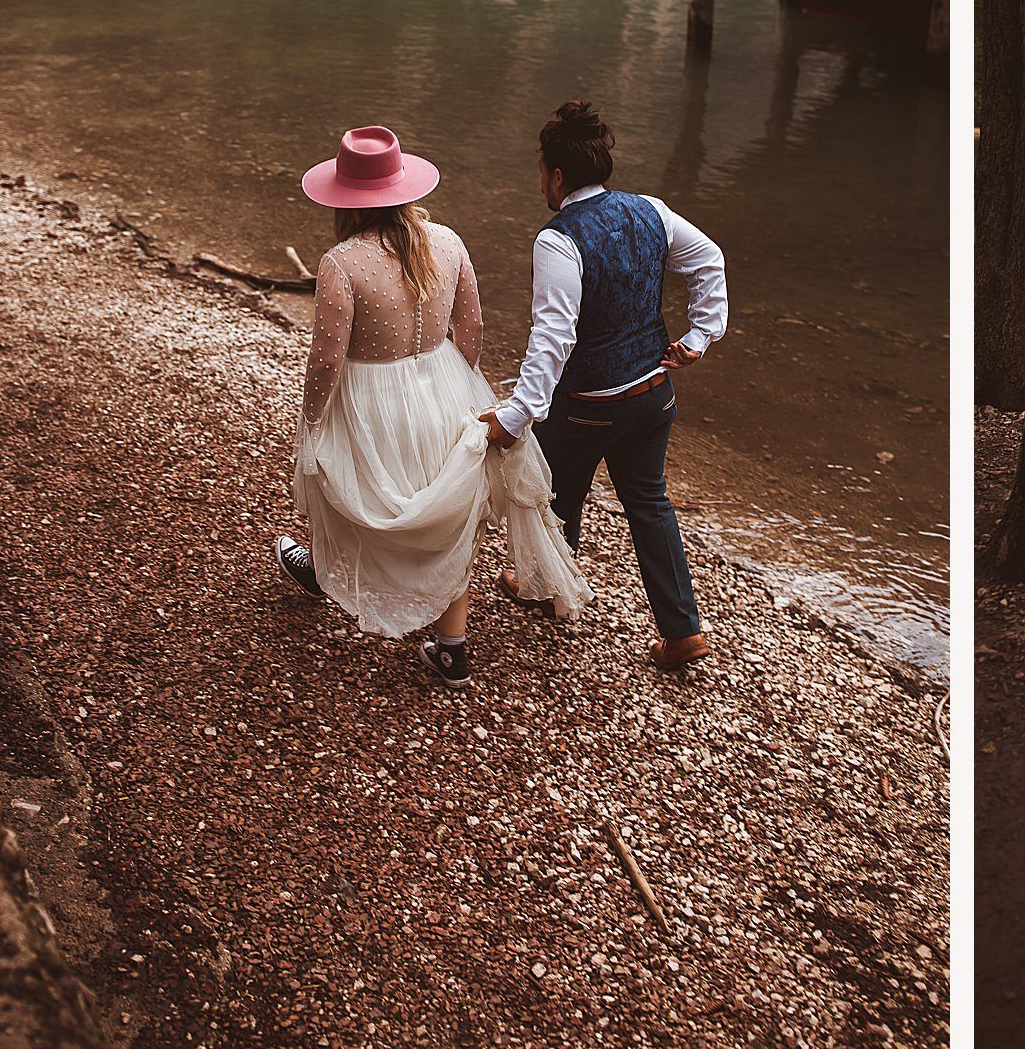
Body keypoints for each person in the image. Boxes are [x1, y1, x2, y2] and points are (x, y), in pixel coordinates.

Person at [276, 125, 590, 691]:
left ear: (345, 198)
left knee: (348, 481)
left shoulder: (341, 263)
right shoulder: (446, 241)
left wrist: (314, 417)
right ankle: (451, 649)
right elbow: (471, 326)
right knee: (449, 510)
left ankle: (325, 572)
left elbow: (327, 358)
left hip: (371, 392)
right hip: (445, 381)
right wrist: (451, 378)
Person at [482, 99, 728, 672]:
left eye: (541, 169)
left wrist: (517, 414)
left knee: (557, 494)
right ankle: (683, 630)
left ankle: (545, 586)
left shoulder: (557, 239)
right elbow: (710, 260)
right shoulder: (652, 211)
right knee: (649, 501)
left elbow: (554, 336)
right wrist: (699, 336)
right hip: (653, 396)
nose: (540, 180)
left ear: (558, 174)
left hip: (589, 406)